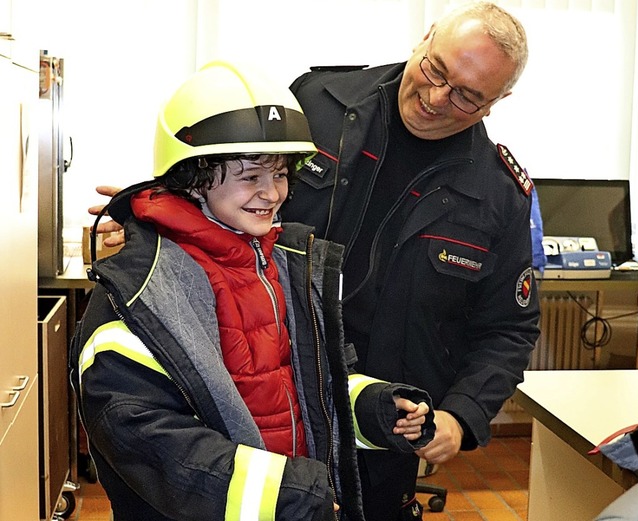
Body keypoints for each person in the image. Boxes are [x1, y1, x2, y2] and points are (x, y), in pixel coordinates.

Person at [90, 2, 541, 519]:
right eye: (436, 70)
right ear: (426, 38)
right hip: (248, 386)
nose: (437, 98)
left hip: (378, 415)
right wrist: (155, 219)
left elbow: (509, 327)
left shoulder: (500, 194)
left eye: (465, 96)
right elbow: (223, 177)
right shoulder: (317, 103)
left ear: (497, 102)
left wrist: (462, 416)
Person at [70, 60, 436, 521]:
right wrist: (295, 495)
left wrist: (375, 407)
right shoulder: (140, 288)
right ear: (194, 176)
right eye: (250, 177)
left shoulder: (286, 265)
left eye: (281, 173)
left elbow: (307, 384)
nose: (273, 193)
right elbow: (148, 438)